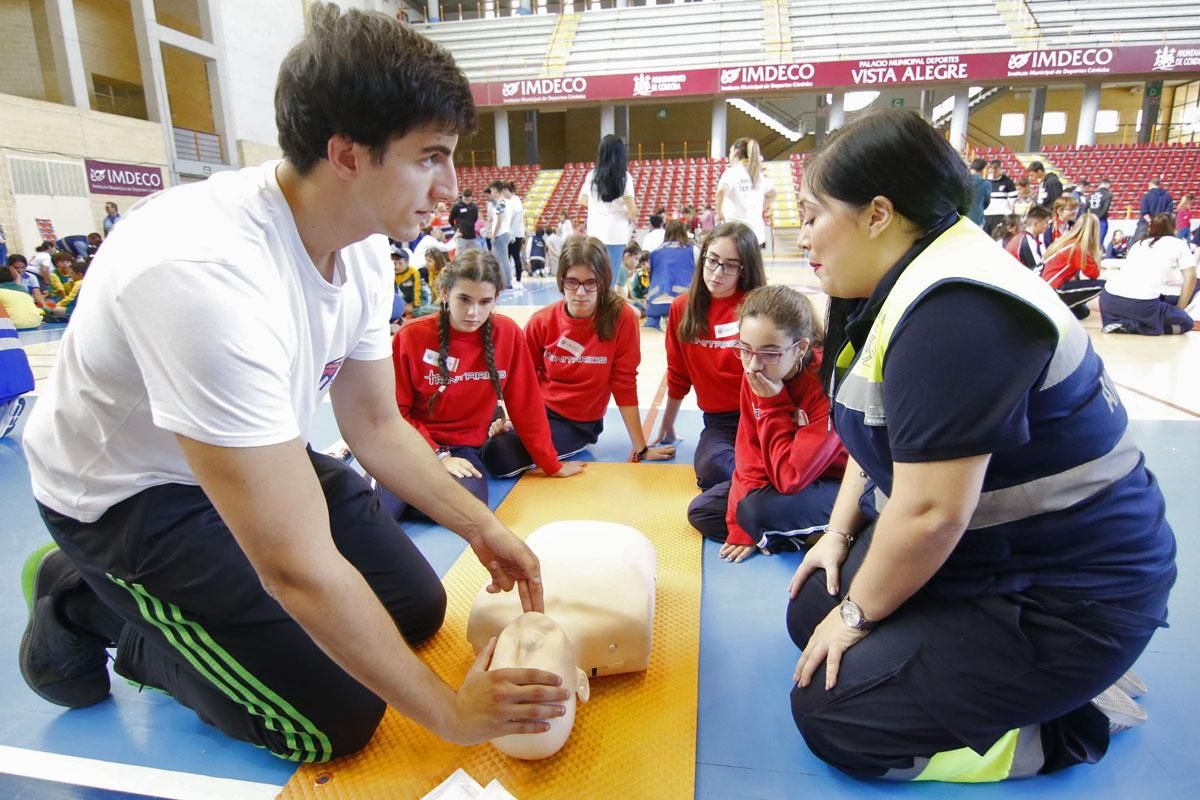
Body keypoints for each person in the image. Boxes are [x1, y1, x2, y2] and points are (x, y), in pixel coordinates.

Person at [18, 5, 571, 764]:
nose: (450, 186)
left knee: (413, 609)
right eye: (429, 157)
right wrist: (449, 714)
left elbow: (375, 424)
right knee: (332, 720)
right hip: (131, 497)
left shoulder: (367, 243)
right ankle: (93, 606)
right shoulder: (203, 277)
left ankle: (168, 605)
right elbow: (295, 570)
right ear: (346, 154)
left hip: (240, 454)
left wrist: (482, 528)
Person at [787, 108, 1175, 783]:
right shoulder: (898, 282)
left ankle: (1068, 726)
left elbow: (933, 513)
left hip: (1068, 595)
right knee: (810, 609)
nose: (802, 234)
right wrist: (839, 536)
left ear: (878, 214)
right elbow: (874, 433)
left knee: (834, 713)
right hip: (996, 557)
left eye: (814, 213)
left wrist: (857, 616)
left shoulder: (956, 311)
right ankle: (1011, 676)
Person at [382, 249, 585, 519]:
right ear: (445, 293)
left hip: (464, 449)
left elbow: (526, 405)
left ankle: (413, 493)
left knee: (468, 506)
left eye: (484, 301)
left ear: (496, 299)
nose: (473, 312)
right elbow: (396, 413)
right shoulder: (410, 337)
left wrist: (550, 464)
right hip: (411, 443)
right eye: (463, 299)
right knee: (374, 510)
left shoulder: (508, 334)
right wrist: (438, 456)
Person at [483, 236, 675, 476]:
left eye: (590, 283)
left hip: (575, 424)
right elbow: (520, 382)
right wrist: (513, 419)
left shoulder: (621, 319)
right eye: (572, 282)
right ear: (561, 280)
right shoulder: (541, 321)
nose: (581, 292)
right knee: (481, 413)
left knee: (499, 455)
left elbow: (624, 384)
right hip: (536, 410)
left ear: (603, 282)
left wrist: (642, 449)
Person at [686, 285, 846, 563]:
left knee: (754, 512)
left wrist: (775, 405)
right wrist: (739, 529)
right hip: (786, 476)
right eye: (745, 350)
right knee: (704, 510)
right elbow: (749, 455)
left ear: (801, 348)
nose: (753, 366)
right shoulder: (757, 373)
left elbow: (790, 478)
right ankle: (792, 534)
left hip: (835, 485)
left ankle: (845, 533)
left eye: (770, 353)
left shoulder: (825, 385)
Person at [653, 221, 767, 489]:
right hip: (721, 423)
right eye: (712, 260)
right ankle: (760, 486)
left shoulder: (757, 306)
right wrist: (667, 425)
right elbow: (678, 375)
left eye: (730, 265)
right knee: (711, 468)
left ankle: (763, 483)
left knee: (782, 460)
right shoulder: (682, 309)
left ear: (744, 269)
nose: (717, 272)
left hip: (763, 413)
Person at [1099, 213, 1196, 335]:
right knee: (1186, 323)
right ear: (1174, 227)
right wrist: (1180, 309)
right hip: (1141, 304)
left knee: (1156, 304)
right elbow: (1191, 276)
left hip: (1109, 299)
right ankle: (1133, 326)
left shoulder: (1138, 244)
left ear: (1151, 228)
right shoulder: (1178, 244)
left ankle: (1121, 322)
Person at [578, 135, 637, 282]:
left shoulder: (592, 175)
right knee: (610, 277)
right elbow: (632, 211)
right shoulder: (624, 177)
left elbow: (582, 199)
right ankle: (606, 304)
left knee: (595, 276)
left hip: (595, 232)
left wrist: (598, 205)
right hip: (617, 233)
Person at [1039, 211, 1105, 320]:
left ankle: (1057, 311)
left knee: (1082, 312)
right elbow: (1094, 274)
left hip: (1046, 288)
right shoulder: (1077, 248)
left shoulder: (1065, 242)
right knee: (1104, 285)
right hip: (1055, 289)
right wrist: (1095, 254)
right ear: (1094, 232)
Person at [716, 137, 776, 247]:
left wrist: (719, 214)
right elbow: (773, 194)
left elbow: (720, 192)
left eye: (730, 152)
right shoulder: (757, 173)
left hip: (736, 233)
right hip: (756, 235)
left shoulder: (732, 172)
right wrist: (760, 208)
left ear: (736, 153)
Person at [644, 220, 698, 330]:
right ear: (685, 232)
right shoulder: (694, 250)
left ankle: (653, 325)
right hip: (684, 303)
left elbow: (651, 279)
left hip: (655, 303)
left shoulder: (654, 253)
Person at [1006, 205, 1051, 270]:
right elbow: (1037, 269)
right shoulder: (1027, 240)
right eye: (1046, 222)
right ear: (1035, 223)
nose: (1047, 226)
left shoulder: (1028, 238)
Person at [487, 182, 514, 290]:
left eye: (492, 191)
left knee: (503, 260)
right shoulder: (507, 202)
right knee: (498, 259)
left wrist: (493, 234)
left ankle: (507, 282)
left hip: (500, 234)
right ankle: (501, 281)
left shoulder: (501, 203)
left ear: (497, 190)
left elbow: (498, 220)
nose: (492, 193)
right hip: (504, 232)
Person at [983, 159, 1017, 235]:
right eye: (992, 170)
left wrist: (1007, 212)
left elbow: (1012, 200)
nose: (994, 172)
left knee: (999, 238)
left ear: (1000, 169)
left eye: (996, 170)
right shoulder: (986, 182)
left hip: (1002, 215)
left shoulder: (1008, 182)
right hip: (987, 215)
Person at [504, 181, 526, 290]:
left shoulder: (515, 200)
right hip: (511, 233)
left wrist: (512, 234)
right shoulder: (510, 201)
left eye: (505, 191)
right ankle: (509, 279)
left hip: (515, 234)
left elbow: (516, 218)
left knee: (516, 256)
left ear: (508, 190)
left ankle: (518, 280)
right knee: (508, 257)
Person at [1088, 177, 1114, 244]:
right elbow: (1105, 208)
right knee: (1099, 241)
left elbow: (1085, 208)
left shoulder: (1091, 194)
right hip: (1101, 219)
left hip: (1090, 219)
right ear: (1107, 184)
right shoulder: (1108, 194)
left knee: (1090, 240)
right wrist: (1098, 218)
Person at [966, 158, 990, 227]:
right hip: (977, 217)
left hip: (962, 217)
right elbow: (987, 202)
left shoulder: (962, 181)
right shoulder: (986, 183)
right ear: (983, 169)